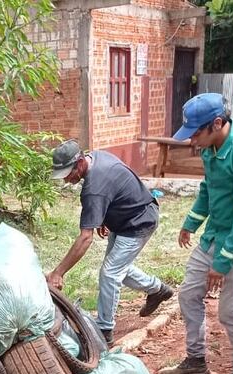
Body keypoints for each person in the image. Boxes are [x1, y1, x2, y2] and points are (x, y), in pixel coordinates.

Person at [157, 93, 233, 374]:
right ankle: (196, 360)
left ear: (217, 123)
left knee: (229, 312)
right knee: (188, 294)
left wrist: (222, 263)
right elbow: (209, 189)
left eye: (196, 133)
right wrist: (191, 222)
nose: (192, 140)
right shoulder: (211, 146)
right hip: (214, 234)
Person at [45, 140, 173, 344]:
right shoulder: (96, 157)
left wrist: (58, 272)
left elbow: (85, 238)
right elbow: (116, 185)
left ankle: (105, 329)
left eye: (68, 173)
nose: (67, 180)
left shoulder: (94, 187)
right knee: (117, 268)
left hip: (139, 221)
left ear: (79, 163)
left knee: (110, 272)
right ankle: (158, 290)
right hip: (128, 216)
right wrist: (105, 217)